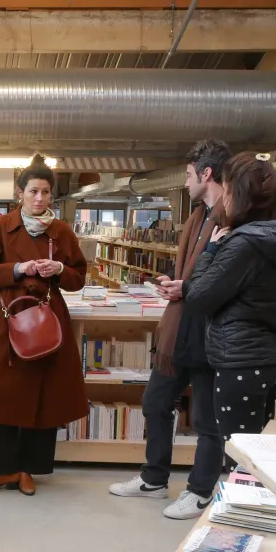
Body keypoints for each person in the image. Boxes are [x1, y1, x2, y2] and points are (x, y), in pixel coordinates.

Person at [109, 139, 229, 520]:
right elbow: (196, 272)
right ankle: (154, 479)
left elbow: (225, 277)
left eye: (190, 175)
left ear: (207, 174)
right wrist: (177, 285)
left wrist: (186, 288)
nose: (186, 182)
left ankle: (200, 491)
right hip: (180, 326)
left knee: (208, 419)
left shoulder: (231, 218)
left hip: (209, 331)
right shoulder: (198, 218)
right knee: (155, 401)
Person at [0, 155, 89, 496]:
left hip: (48, 318)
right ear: (20, 193)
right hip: (9, 316)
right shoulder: (2, 226)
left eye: (46, 192)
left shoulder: (61, 231)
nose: (39, 198)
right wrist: (18, 270)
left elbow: (78, 278)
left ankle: (27, 470)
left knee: (43, 395)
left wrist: (60, 271)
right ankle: (0, 470)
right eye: (33, 191)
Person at [183, 152, 276, 445]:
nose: (224, 198)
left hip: (240, 359)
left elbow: (198, 297)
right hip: (267, 355)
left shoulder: (244, 244)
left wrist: (210, 251)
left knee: (238, 451)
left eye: (227, 190)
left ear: (238, 194)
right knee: (256, 449)